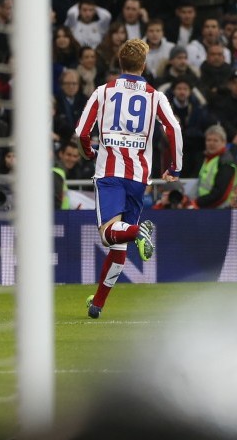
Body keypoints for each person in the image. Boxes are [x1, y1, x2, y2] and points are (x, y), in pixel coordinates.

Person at [76, 39, 183, 319]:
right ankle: (97, 304)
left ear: (119, 63)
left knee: (108, 234)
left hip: (110, 174)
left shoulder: (104, 91)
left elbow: (82, 132)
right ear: (144, 65)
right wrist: (175, 167)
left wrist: (89, 152)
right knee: (118, 246)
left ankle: (139, 232)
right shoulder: (155, 96)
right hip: (138, 177)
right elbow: (173, 129)